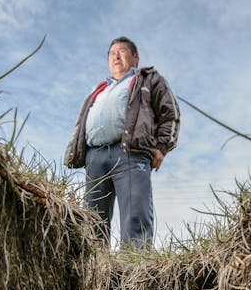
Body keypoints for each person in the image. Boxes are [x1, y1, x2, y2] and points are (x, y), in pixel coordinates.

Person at [64, 36, 180, 248]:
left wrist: (162, 148)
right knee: (92, 218)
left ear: (135, 57)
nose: (116, 56)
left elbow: (170, 113)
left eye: (122, 51)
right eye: (111, 53)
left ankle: (133, 272)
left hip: (130, 152)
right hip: (95, 156)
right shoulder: (99, 89)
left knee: (135, 214)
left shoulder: (148, 79)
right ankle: (95, 270)